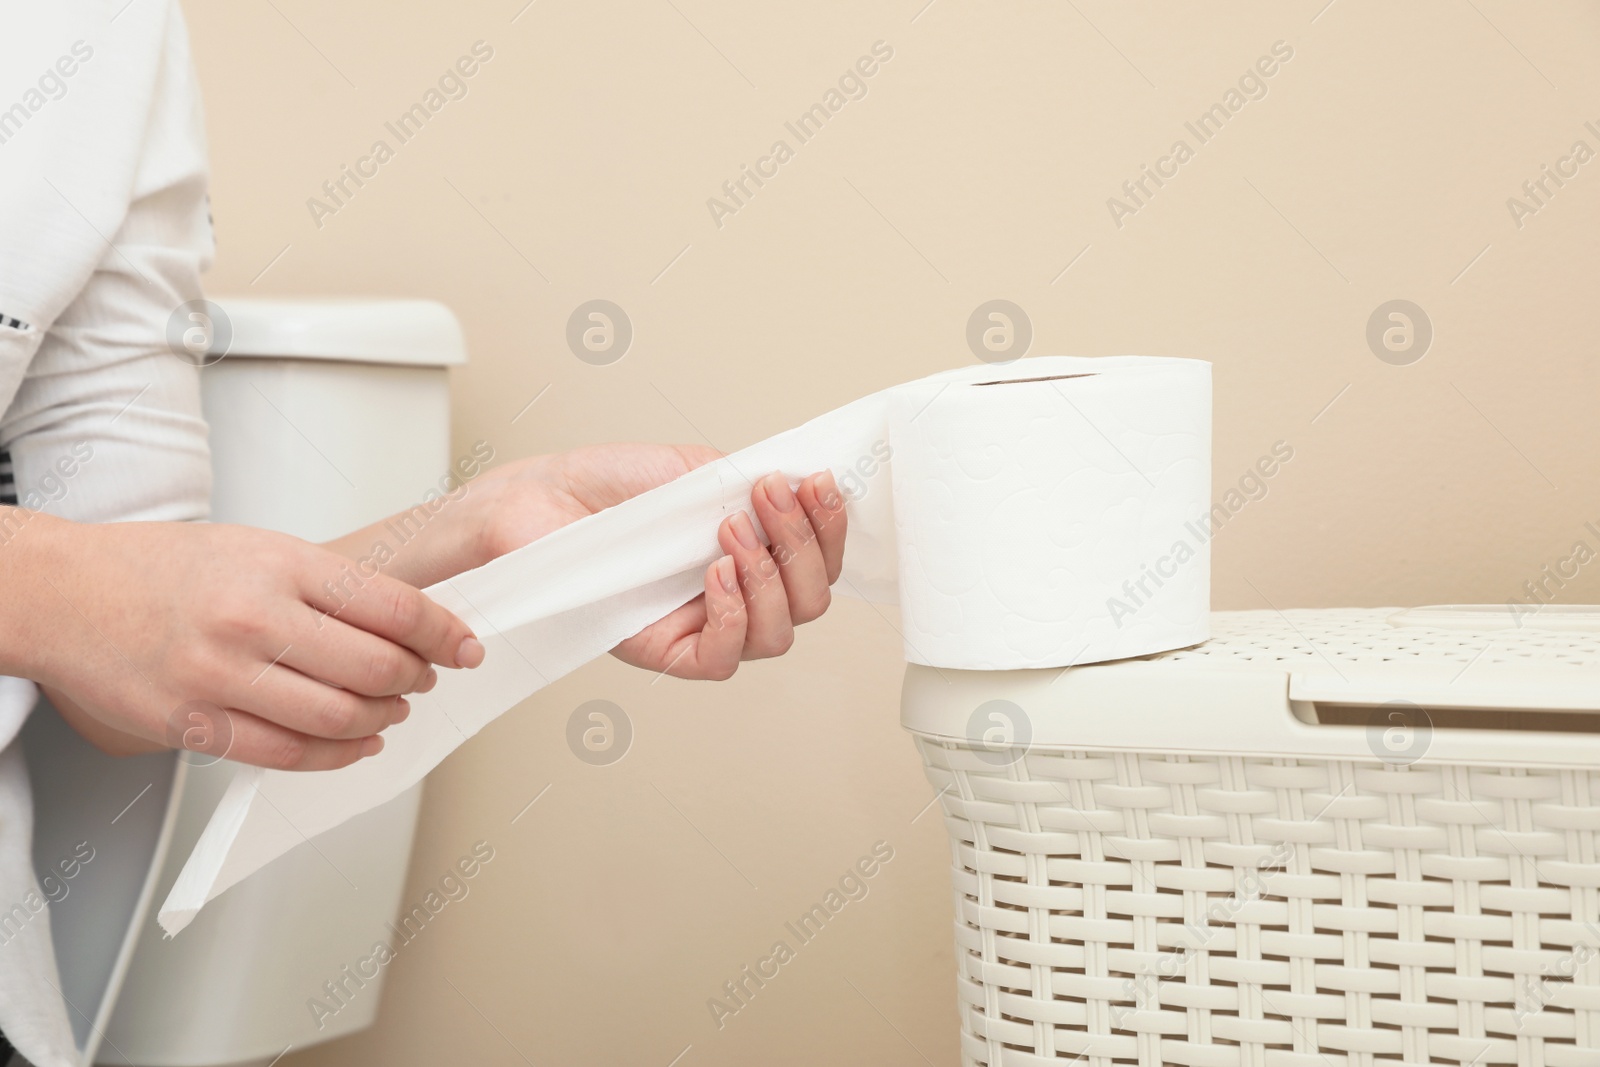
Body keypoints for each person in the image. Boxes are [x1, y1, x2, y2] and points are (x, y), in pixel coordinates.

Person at [0, 4, 844, 1064]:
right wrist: (44, 589)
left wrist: (479, 532)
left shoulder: (101, 33)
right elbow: (82, 598)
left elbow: (115, 665)